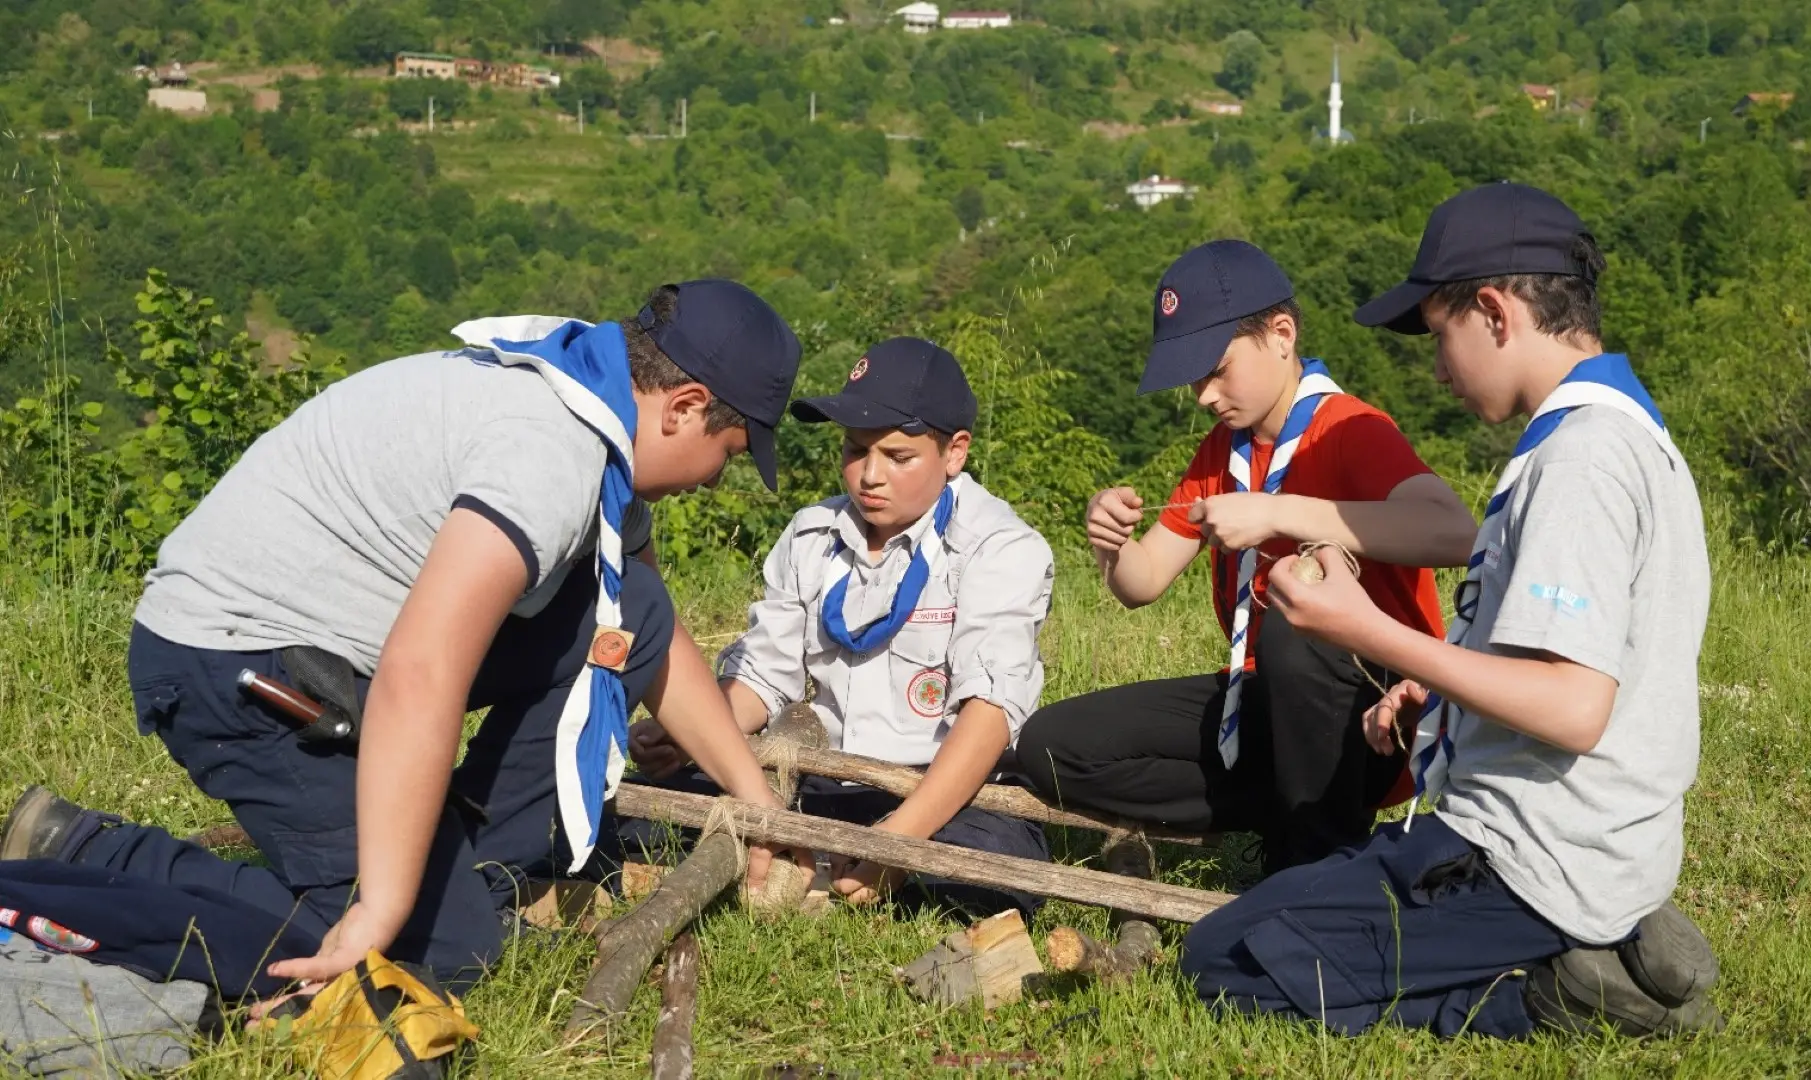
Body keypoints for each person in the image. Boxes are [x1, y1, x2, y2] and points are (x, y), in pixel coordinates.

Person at [0, 281, 811, 995]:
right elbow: (421, 673)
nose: (715, 478)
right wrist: (384, 908)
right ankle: (89, 855)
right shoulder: (548, 457)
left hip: (322, 653)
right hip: (234, 665)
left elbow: (638, 624)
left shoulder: (587, 404)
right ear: (685, 406)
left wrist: (754, 798)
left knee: (630, 603)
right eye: (729, 454)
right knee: (441, 954)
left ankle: (470, 873)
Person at [1179, 182, 1721, 1039]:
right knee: (1246, 922)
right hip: (1561, 837)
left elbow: (1574, 709)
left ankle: (1557, 993)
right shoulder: (1618, 435)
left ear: (1496, 313)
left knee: (1222, 964)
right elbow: (1575, 660)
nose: (1437, 370)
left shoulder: (1582, 460)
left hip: (1528, 859)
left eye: (1440, 337)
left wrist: (1370, 632)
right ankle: (1601, 939)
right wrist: (1442, 695)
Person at [1015, 240, 1477, 875]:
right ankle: (1292, 819)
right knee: (1050, 746)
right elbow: (1142, 582)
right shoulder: (1223, 451)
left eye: (1217, 369)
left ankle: (1312, 865)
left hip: (1376, 715)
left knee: (1297, 619)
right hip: (1258, 701)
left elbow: (1454, 531)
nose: (1204, 394)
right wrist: (1110, 544)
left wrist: (1278, 512)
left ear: (1281, 335)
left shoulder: (1349, 428)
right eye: (1194, 379)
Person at [620, 337, 1055, 917]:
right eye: (854, 450)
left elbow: (991, 712)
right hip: (819, 780)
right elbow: (764, 678)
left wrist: (896, 842)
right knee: (630, 817)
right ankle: (824, 869)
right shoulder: (812, 533)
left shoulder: (998, 547)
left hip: (939, 790)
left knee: (993, 873)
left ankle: (830, 873)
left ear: (954, 453)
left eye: (899, 457)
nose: (870, 475)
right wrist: (692, 733)